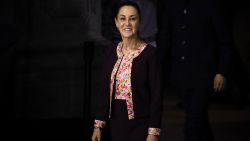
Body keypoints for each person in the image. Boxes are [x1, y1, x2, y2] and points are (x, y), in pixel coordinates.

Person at [158, 0, 232, 141]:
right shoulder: (171, 5)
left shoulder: (212, 5)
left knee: (193, 120)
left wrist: (222, 71)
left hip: (205, 75)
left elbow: (225, 41)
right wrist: (157, 70)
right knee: (199, 118)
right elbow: (165, 38)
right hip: (179, 74)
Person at [91, 1, 162, 141]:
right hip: (116, 125)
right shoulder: (111, 51)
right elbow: (104, 90)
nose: (127, 23)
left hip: (141, 126)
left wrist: (153, 132)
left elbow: (156, 96)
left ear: (140, 22)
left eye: (133, 18)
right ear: (116, 22)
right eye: (122, 18)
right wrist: (98, 125)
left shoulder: (150, 54)